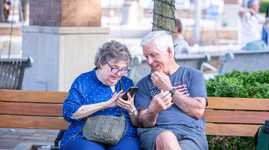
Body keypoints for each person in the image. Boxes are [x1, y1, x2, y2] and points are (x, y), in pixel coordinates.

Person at [60, 40, 140, 150]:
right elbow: (69, 113)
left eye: (124, 69)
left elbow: (136, 123)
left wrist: (131, 108)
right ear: (101, 63)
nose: (119, 73)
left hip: (122, 135)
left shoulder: (127, 83)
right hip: (84, 135)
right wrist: (105, 105)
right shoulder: (83, 81)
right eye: (115, 68)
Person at [135, 31, 208, 150]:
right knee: (167, 138)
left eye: (154, 55)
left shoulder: (193, 75)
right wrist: (153, 111)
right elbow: (143, 122)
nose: (149, 61)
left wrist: (169, 89)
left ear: (169, 52)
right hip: (156, 134)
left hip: (191, 135)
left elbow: (198, 111)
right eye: (146, 56)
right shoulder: (144, 84)